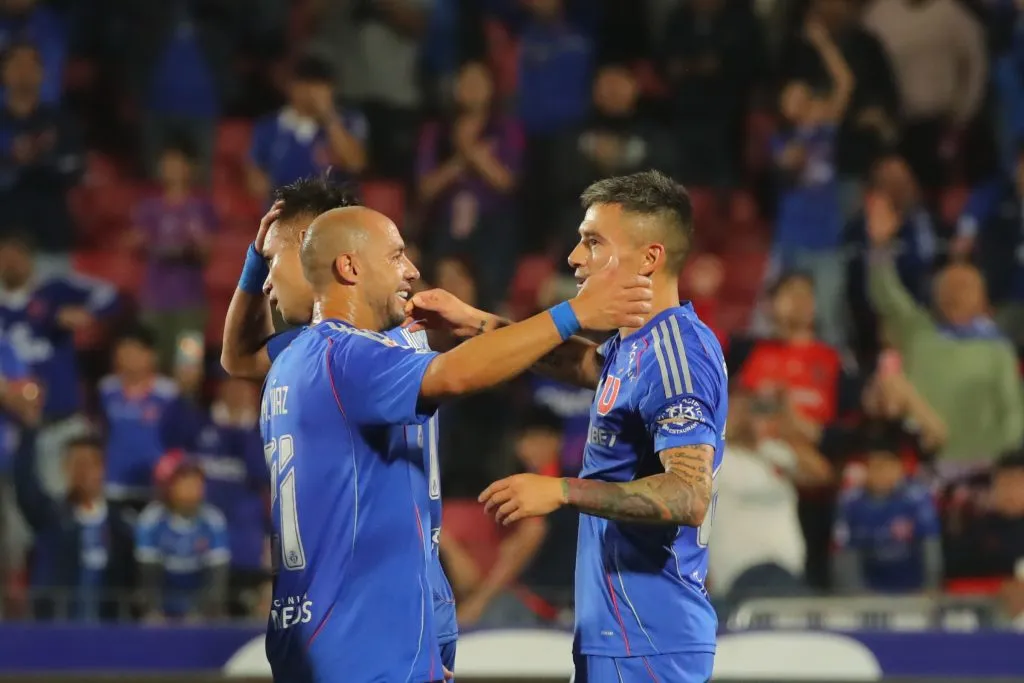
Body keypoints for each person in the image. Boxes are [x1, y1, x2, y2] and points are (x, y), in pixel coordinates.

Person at [256, 200, 649, 682]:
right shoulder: (350, 356)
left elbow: (239, 356)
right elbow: (457, 374)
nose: (413, 270)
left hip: (339, 627)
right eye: (397, 256)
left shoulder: (294, 361)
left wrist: (472, 320)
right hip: (364, 636)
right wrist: (575, 312)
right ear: (350, 266)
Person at [415, 170, 723, 683]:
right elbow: (579, 365)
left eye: (593, 243)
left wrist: (560, 490)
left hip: (650, 638)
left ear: (649, 258)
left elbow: (689, 494)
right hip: (621, 635)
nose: (574, 259)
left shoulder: (676, 355)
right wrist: (473, 322)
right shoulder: (635, 346)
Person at [220, 178, 461, 673]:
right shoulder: (377, 338)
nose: (266, 283)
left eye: (271, 263)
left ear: (321, 256)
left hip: (371, 603)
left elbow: (239, 357)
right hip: (407, 587)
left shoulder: (338, 354)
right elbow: (239, 358)